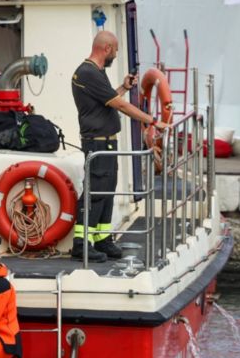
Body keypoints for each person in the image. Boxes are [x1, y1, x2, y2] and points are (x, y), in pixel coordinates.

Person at [71, 31, 168, 263]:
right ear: (106, 49)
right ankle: (81, 244)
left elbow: (107, 100)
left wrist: (123, 87)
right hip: (97, 142)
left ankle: (102, 239)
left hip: (107, 143)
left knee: (107, 192)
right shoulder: (87, 72)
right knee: (95, 193)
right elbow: (120, 106)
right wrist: (152, 121)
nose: (115, 54)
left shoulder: (95, 72)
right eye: (115, 50)